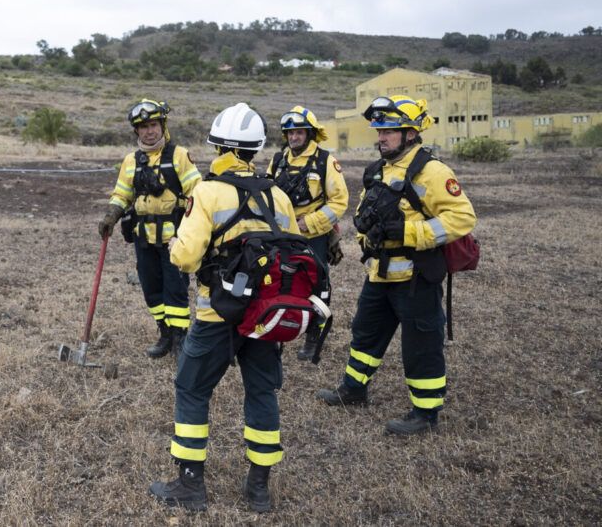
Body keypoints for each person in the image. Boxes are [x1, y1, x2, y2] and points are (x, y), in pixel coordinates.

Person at [149, 103, 299, 514]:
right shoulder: (279, 195)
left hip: (218, 315)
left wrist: (176, 246)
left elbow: (185, 256)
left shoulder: (208, 191)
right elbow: (292, 252)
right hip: (265, 317)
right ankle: (259, 490)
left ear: (217, 146)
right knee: (261, 391)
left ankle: (190, 485)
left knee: (193, 388)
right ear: (256, 149)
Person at [317, 95, 476, 435]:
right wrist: (364, 235)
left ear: (411, 133)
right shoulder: (378, 169)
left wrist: (409, 232)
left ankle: (426, 413)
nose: (381, 138)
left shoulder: (432, 172)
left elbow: (463, 218)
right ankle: (354, 390)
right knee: (365, 332)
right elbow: (364, 212)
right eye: (379, 131)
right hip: (379, 273)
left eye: (390, 131)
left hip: (416, 277)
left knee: (420, 345)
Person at [98, 99, 201, 360]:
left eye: (153, 124)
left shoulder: (180, 156)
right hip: (143, 238)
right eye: (142, 127)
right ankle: (164, 333)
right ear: (136, 131)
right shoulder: (130, 161)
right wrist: (112, 215)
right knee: (151, 289)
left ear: (162, 125)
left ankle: (180, 339)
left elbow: (197, 196)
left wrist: (187, 234)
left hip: (174, 241)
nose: (149, 131)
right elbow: (122, 195)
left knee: (175, 289)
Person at [265, 106, 349, 361]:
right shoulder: (278, 160)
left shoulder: (326, 161)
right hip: (281, 236)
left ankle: (314, 334)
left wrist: (308, 223)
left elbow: (339, 202)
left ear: (310, 133)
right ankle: (278, 331)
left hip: (314, 235)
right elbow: (266, 193)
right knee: (278, 282)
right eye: (289, 133)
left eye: (299, 132)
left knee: (317, 285)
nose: (293, 137)